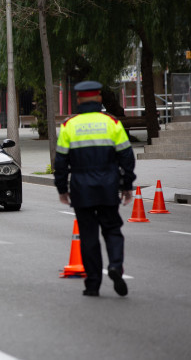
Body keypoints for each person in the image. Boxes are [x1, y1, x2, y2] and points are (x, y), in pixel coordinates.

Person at [54, 81, 136, 297]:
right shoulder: (112, 123)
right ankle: (115, 266)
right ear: (99, 99)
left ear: (78, 100)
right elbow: (127, 156)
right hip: (108, 186)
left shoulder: (68, 126)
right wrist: (127, 184)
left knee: (89, 237)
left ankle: (92, 285)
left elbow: (60, 161)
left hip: (82, 189)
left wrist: (62, 188)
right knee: (112, 229)